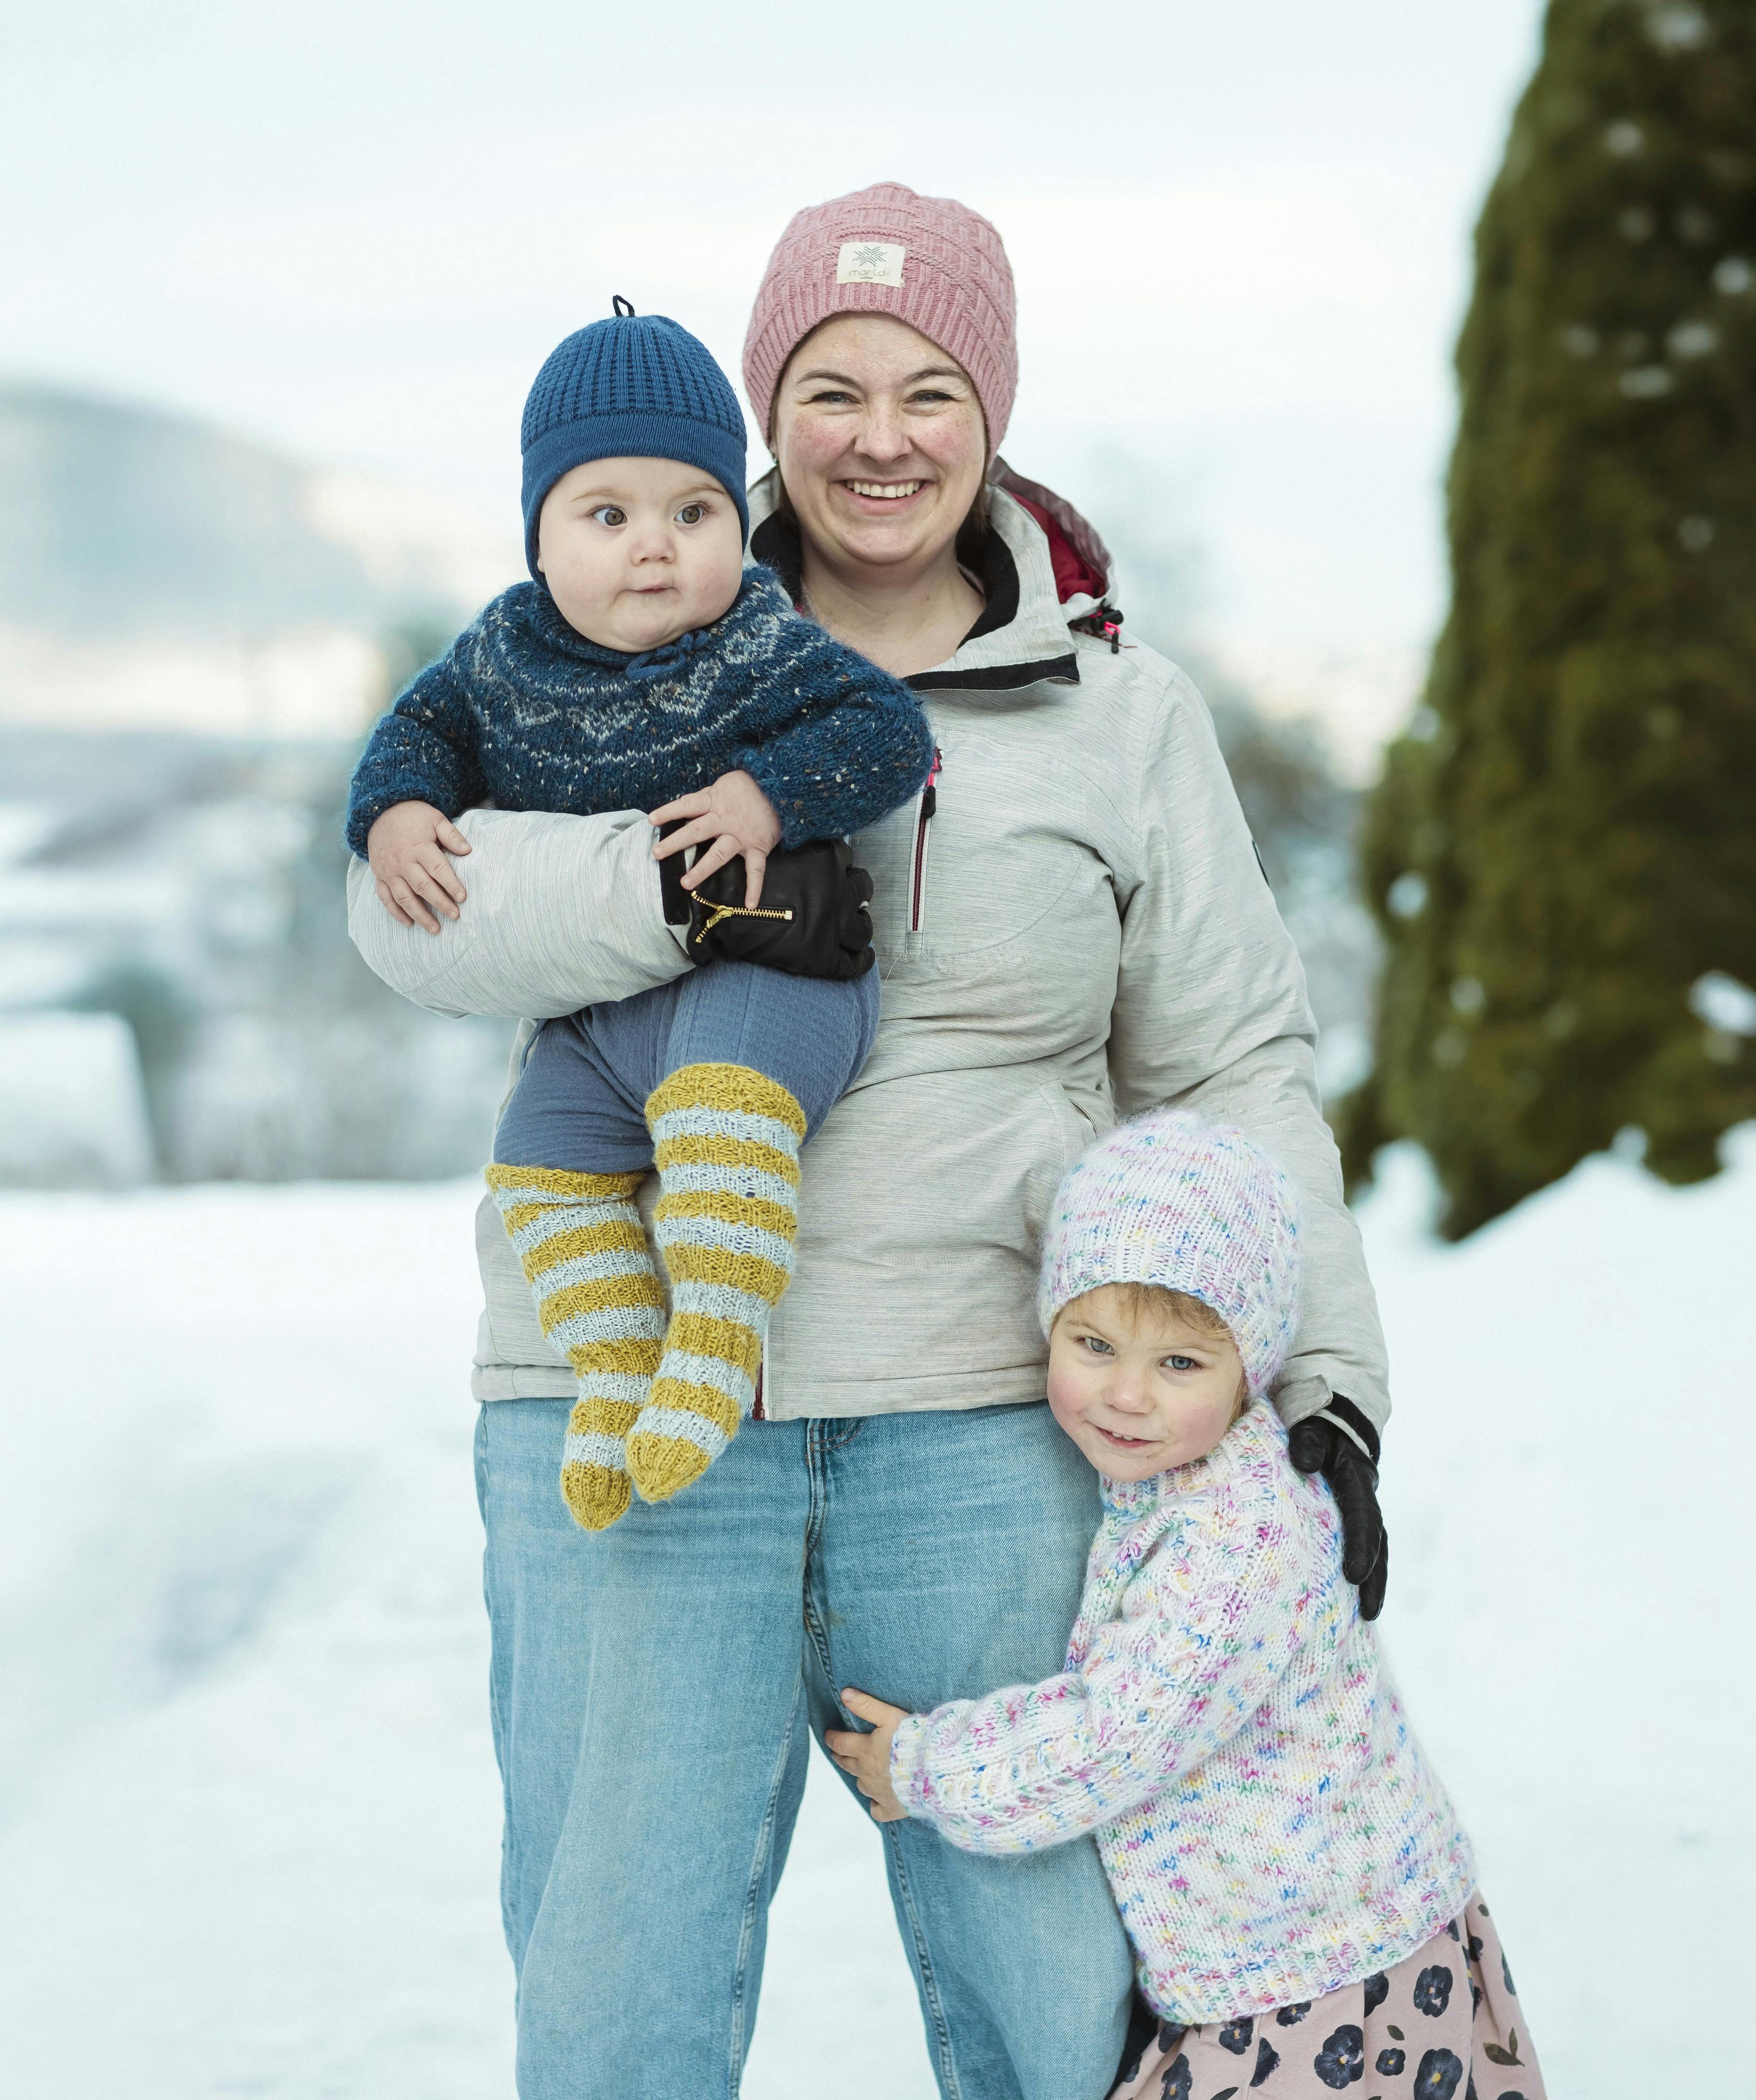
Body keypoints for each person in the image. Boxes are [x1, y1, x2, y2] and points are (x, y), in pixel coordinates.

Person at [345, 182, 1397, 2098]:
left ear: (993, 412)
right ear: (767, 412)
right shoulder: (604, 630)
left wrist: (1323, 1382)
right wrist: (706, 898)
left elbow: (1237, 1066)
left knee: (1053, 2004)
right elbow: (416, 914)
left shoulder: (1119, 711)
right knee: (613, 2009)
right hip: (634, 1406)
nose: (882, 438)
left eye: (932, 388)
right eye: (831, 389)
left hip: (993, 1424)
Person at [347, 300, 932, 1528]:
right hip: (600, 1013)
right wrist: (397, 808)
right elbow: (420, 734)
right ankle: (618, 1368)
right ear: (540, 538)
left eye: (694, 511)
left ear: (736, 518)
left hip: (771, 981)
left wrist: (769, 793)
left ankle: (713, 1345)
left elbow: (891, 732)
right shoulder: (500, 658)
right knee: (541, 1166)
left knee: (721, 1117)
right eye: (606, 515)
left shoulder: (764, 643)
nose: (655, 548)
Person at [822, 1111, 1546, 2100]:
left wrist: (926, 1767)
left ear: (1255, 1369)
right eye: (1093, 1343)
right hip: (1294, 1954)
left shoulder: (1238, 1541)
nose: (1125, 1396)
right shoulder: (1174, 1486)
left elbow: (1120, 1734)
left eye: (1180, 1364)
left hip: (1322, 1979)